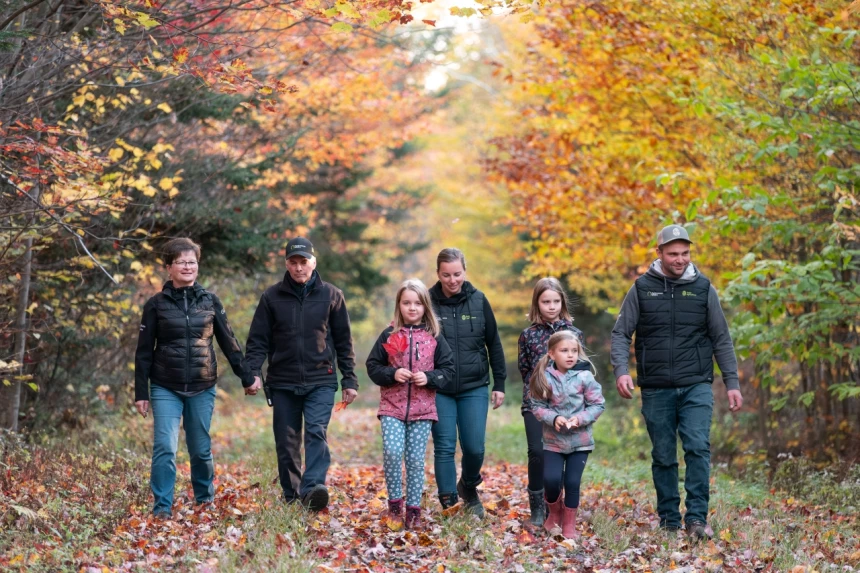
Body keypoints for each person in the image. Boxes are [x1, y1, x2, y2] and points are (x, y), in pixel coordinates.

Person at [610, 224, 744, 540]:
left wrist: (732, 381)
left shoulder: (703, 289)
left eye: (685, 253)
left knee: (698, 447)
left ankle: (696, 520)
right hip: (656, 387)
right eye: (673, 254)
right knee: (664, 454)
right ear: (659, 253)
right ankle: (669, 520)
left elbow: (720, 337)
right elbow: (620, 333)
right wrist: (621, 370)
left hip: (696, 383)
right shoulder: (641, 288)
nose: (680, 259)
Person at [134, 238, 260, 519]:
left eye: (192, 261)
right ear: (169, 267)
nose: (188, 266)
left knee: (200, 449)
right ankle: (162, 508)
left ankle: (204, 501)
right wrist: (141, 392)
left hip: (202, 385)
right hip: (166, 385)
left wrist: (248, 376)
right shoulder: (155, 305)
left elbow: (229, 342)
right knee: (165, 446)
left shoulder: (211, 301)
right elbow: (143, 352)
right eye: (181, 262)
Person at [245, 237, 357, 511]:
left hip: (321, 378)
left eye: (303, 262)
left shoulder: (332, 295)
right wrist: (252, 373)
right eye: (293, 263)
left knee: (316, 432)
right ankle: (292, 495)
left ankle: (312, 490)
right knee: (286, 442)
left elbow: (344, 341)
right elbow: (258, 340)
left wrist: (349, 379)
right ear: (286, 264)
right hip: (282, 381)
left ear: (313, 262)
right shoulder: (271, 297)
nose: (298, 268)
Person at [365, 279, 456, 530]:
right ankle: (395, 505)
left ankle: (413, 510)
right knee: (393, 454)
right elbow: (373, 366)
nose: (412, 308)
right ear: (399, 305)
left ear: (425, 306)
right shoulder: (389, 334)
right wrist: (392, 373)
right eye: (407, 303)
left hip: (423, 409)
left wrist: (429, 378)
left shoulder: (435, 337)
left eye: (417, 303)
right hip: (391, 408)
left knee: (416, 460)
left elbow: (447, 369)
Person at [429, 248, 506, 517]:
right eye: (446, 275)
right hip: (439, 388)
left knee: (474, 447)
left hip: (474, 386)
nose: (452, 280)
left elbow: (493, 343)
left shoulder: (479, 300)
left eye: (457, 274)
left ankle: (469, 486)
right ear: (438, 274)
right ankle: (449, 500)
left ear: (465, 271)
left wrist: (500, 384)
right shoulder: (427, 302)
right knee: (445, 446)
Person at [517, 277, 591, 526]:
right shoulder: (528, 335)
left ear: (562, 302)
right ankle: (538, 507)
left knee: (560, 453)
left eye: (556, 301)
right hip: (536, 404)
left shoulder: (575, 334)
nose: (551, 306)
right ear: (537, 303)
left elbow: (581, 371)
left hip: (568, 407)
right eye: (546, 301)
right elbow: (525, 371)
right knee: (537, 452)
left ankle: (557, 507)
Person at [529, 330, 605, 539]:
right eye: (564, 351)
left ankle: (569, 524)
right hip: (553, 441)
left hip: (580, 442)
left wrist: (578, 419)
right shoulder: (544, 377)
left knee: (572, 483)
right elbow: (536, 405)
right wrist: (553, 418)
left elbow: (597, 404)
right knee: (551, 480)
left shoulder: (585, 377)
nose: (571, 355)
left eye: (574, 351)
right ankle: (555, 513)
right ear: (552, 354)